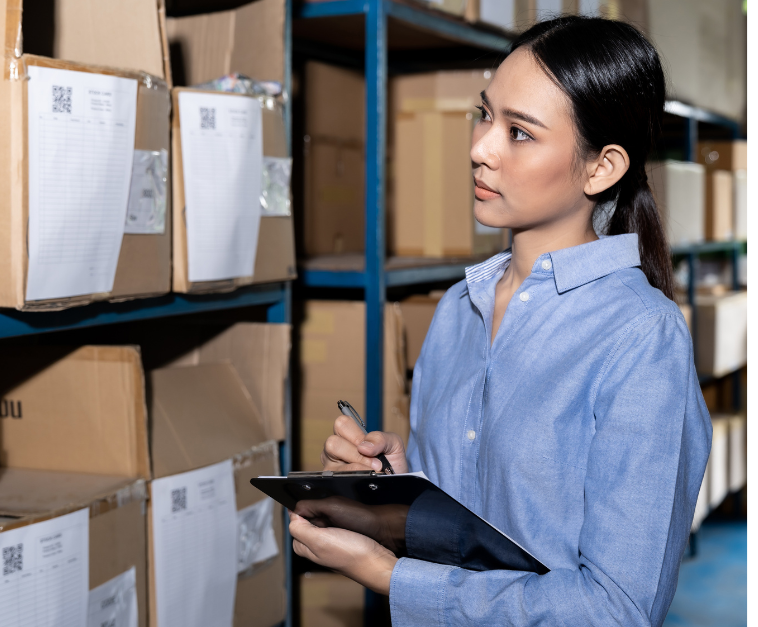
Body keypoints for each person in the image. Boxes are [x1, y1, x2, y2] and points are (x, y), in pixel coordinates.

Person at [288, 15, 712, 626]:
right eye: (486, 115)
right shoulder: (459, 309)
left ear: (601, 168)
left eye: (520, 133)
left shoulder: (642, 339)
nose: (479, 148)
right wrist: (395, 489)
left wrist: (386, 574)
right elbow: (469, 529)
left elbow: (616, 611)